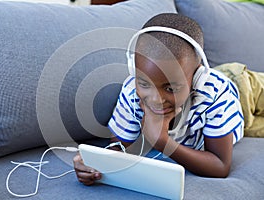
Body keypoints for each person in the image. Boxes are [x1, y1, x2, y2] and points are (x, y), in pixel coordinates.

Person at [73, 13, 244, 185]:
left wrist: (162, 142)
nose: (156, 99)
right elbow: (119, 147)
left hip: (245, 87)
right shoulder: (132, 90)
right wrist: (95, 164)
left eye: (170, 88)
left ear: (197, 78)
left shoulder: (215, 94)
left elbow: (220, 166)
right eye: (144, 83)